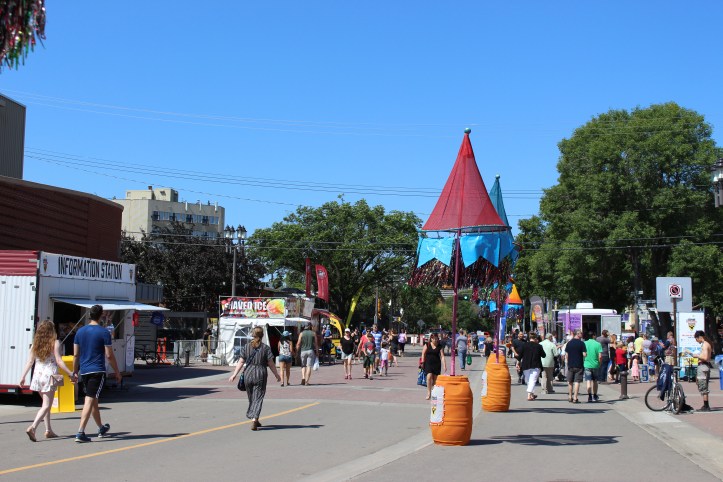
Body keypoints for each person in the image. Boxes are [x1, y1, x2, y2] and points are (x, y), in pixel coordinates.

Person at [19, 320, 76, 441]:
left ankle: (48, 430)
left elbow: (30, 362)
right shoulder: (55, 342)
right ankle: (33, 427)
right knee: (46, 405)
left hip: (37, 376)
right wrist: (70, 373)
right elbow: (59, 361)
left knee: (46, 404)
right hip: (50, 375)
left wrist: (23, 376)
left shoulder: (35, 345)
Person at [73, 305, 122, 443]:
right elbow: (109, 355)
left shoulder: (80, 331)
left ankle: (101, 427)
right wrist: (117, 372)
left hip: (84, 370)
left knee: (93, 399)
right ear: (101, 316)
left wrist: (75, 371)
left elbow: (76, 354)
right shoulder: (104, 332)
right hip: (97, 370)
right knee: (89, 399)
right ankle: (80, 432)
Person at [228, 326, 281, 431]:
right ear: (262, 335)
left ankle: (256, 418)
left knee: (252, 397)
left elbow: (241, 361)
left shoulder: (246, 347)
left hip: (248, 374)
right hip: (260, 374)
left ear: (253, 334)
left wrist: (234, 374)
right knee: (258, 397)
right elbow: (271, 363)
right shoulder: (265, 348)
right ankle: (254, 419)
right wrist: (276, 374)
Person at [518, 333, 546, 401]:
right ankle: (529, 395)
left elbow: (520, 355)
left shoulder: (524, 345)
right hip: (536, 365)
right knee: (533, 380)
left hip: (525, 365)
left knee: (529, 380)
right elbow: (543, 355)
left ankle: (531, 394)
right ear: (535, 338)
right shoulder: (539, 346)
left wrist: (518, 363)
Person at [690, 330, 713, 412]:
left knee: (703, 387)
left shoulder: (705, 345)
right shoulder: (707, 344)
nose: (696, 341)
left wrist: (696, 356)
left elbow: (705, 357)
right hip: (705, 367)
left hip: (703, 366)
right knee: (703, 386)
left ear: (700, 337)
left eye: (696, 339)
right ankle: (705, 405)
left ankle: (706, 406)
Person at [564, 329, 587, 403]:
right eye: (581, 333)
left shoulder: (569, 343)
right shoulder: (582, 343)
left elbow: (566, 355)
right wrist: (585, 354)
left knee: (570, 381)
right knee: (577, 381)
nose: (582, 334)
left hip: (570, 365)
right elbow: (584, 354)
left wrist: (568, 362)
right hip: (579, 365)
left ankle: (570, 396)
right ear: (578, 334)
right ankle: (575, 397)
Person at [422, 333, 446, 400]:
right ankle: (429, 393)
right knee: (429, 377)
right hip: (428, 363)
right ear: (431, 339)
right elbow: (423, 353)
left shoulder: (440, 346)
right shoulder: (427, 345)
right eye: (433, 338)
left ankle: (434, 392)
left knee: (435, 380)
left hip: (436, 364)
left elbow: (442, 356)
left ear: (438, 339)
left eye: (436, 338)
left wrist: (444, 365)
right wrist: (422, 362)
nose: (435, 340)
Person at [583, 332, 603, 402]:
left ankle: (589, 396)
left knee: (588, 380)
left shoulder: (584, 343)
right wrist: (600, 364)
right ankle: (595, 395)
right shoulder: (598, 344)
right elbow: (600, 356)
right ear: (593, 336)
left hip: (587, 364)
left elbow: (583, 354)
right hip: (595, 364)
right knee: (595, 380)